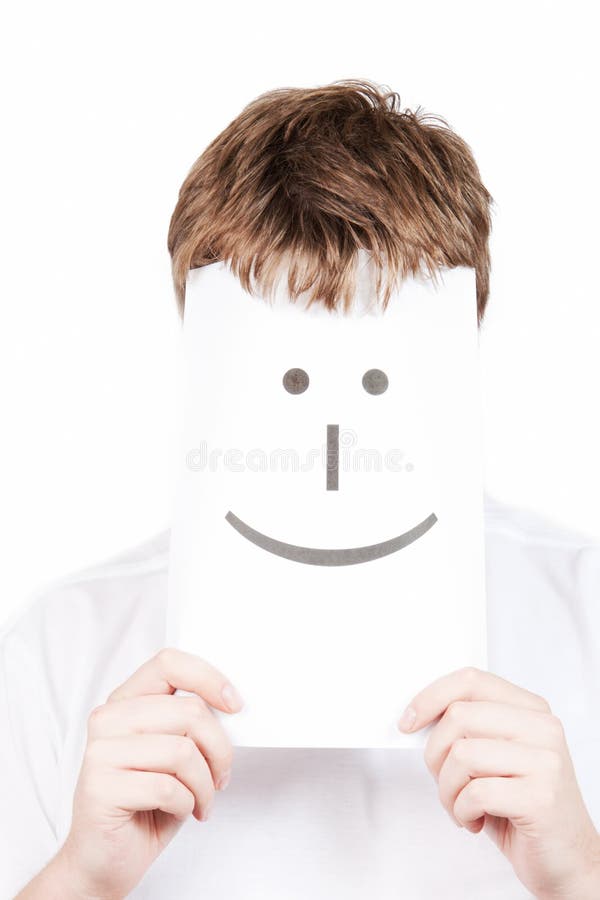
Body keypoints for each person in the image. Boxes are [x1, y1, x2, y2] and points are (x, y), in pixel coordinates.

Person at [2, 80, 600, 900]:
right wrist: (83, 876)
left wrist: (579, 872)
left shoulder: (587, 608)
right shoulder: (65, 642)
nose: (331, 437)